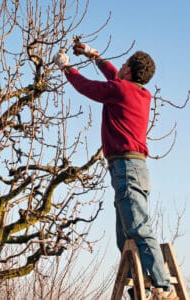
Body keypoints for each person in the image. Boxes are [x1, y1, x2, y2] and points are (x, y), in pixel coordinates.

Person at [53, 44, 178, 300]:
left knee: (139, 229)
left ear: (129, 72)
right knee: (126, 236)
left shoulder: (120, 90)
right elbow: (113, 75)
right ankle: (138, 289)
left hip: (126, 168)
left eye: (123, 66)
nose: (118, 68)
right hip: (132, 168)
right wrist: (94, 56)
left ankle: (163, 289)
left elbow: (90, 88)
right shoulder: (139, 93)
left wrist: (66, 68)